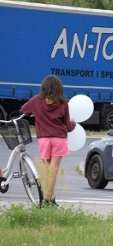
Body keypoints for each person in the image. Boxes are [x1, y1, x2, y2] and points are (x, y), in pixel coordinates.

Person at [20, 75, 76, 207]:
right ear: (59, 88)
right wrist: (73, 123)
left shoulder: (36, 101)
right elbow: (68, 127)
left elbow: (23, 109)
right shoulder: (63, 104)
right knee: (54, 169)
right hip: (59, 139)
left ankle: (51, 199)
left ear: (43, 87)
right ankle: (47, 200)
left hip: (44, 139)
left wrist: (35, 114)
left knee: (46, 170)